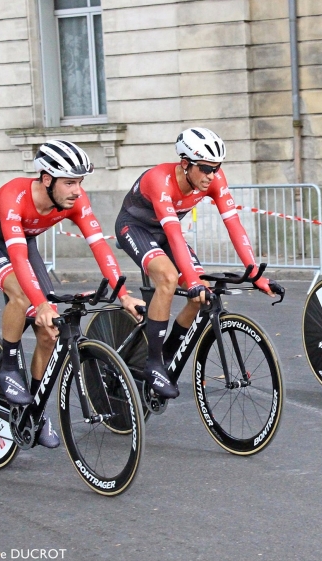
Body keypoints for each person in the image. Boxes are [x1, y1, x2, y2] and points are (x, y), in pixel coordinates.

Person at [0, 140, 144, 448]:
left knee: (49, 330)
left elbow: (99, 245)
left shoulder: (75, 200)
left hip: (24, 244)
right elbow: (17, 258)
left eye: (80, 182)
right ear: (46, 179)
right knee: (24, 296)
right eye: (69, 183)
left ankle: (34, 412)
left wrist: (123, 294)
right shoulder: (13, 196)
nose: (77, 190)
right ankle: (8, 367)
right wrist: (40, 304)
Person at [115, 127, 280, 399]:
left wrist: (254, 273)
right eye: (205, 168)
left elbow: (234, 224)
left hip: (165, 233)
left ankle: (168, 354)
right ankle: (153, 363)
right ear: (185, 163)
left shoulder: (212, 178)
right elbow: (174, 235)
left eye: (217, 167)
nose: (212, 175)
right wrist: (189, 280)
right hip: (135, 228)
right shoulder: (160, 180)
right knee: (168, 278)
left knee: (201, 293)